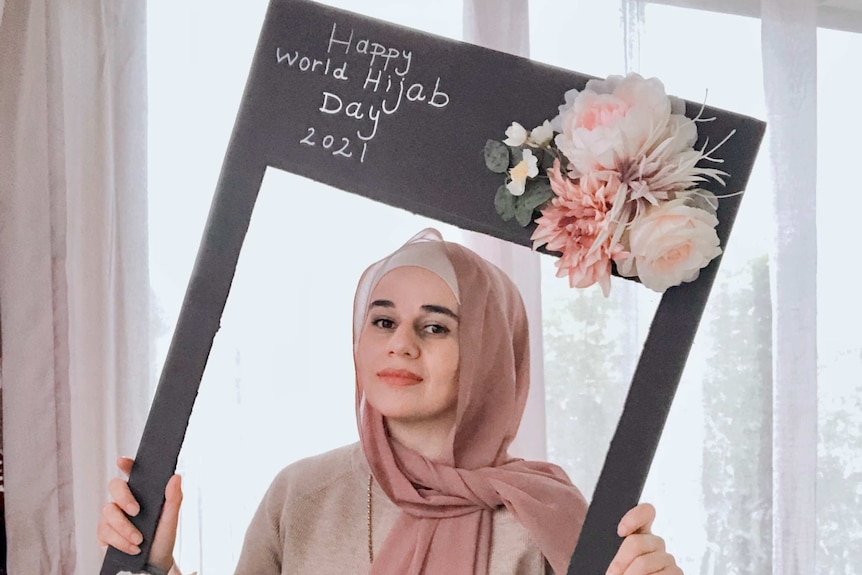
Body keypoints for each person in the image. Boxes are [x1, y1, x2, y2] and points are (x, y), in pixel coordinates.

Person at [98, 229, 682, 575]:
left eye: (435, 327)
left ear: (488, 355)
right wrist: (153, 564)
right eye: (382, 320)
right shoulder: (300, 496)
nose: (399, 344)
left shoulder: (547, 516)